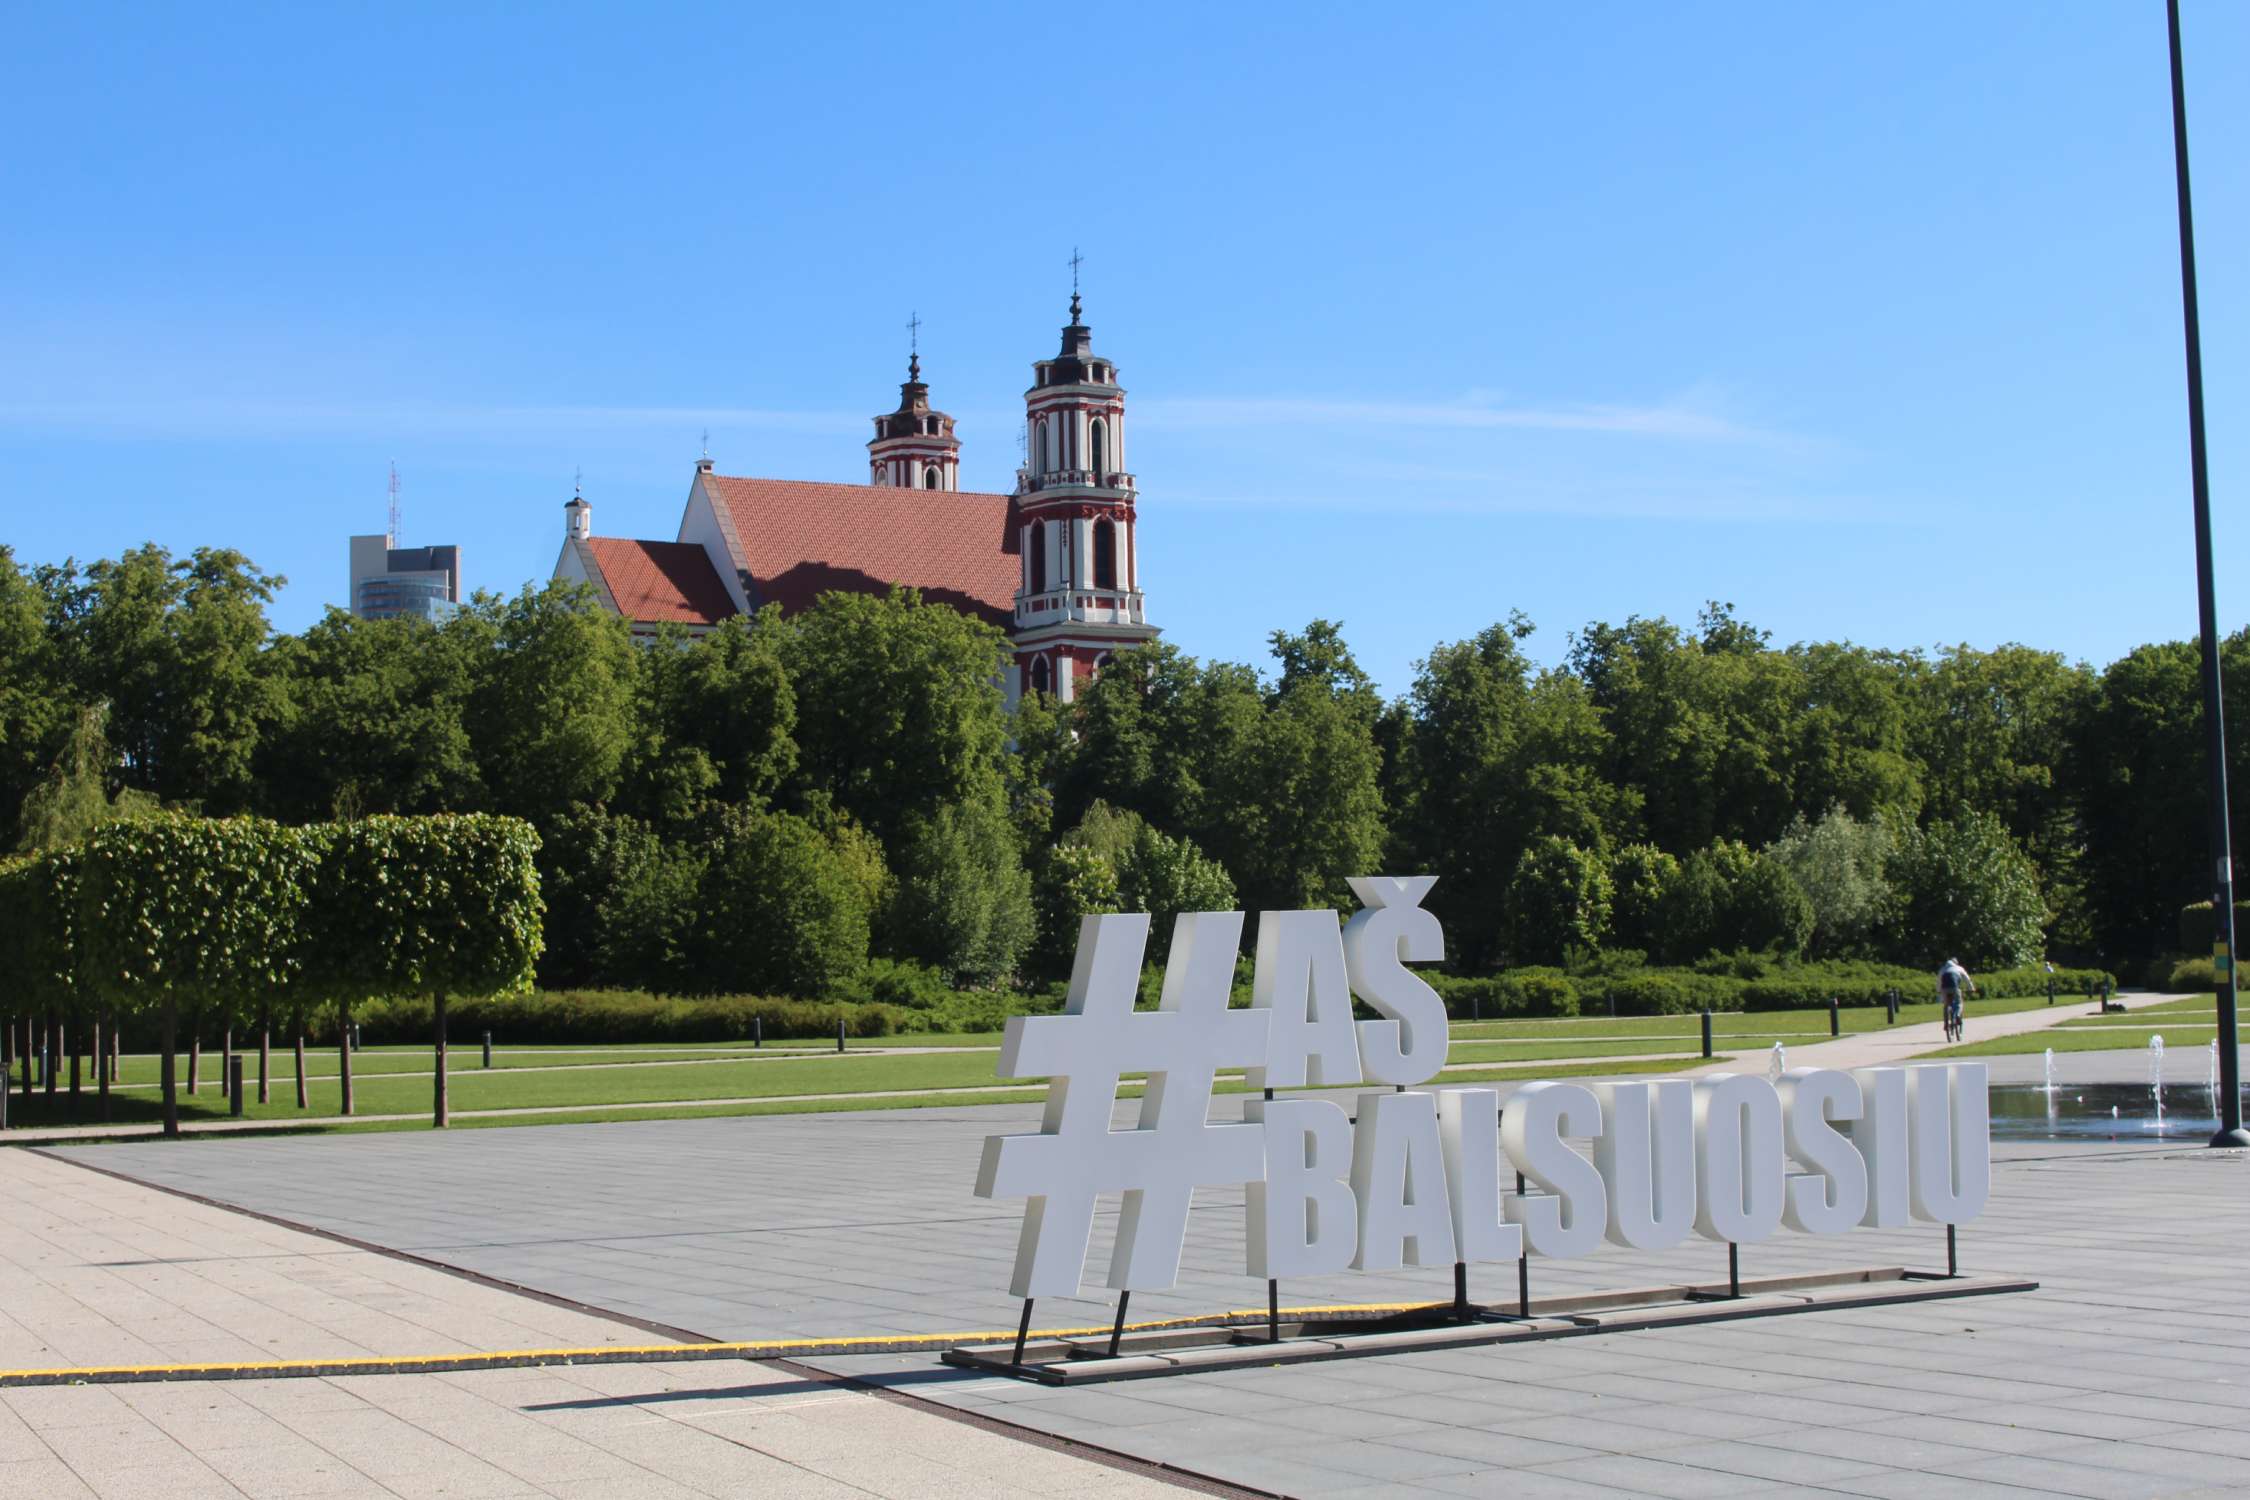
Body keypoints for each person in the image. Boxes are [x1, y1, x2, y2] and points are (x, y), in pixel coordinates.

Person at [1938, 957, 1975, 1040]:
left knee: (1946, 1005)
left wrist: (1938, 990)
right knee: (1959, 1003)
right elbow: (1967, 979)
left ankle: (1946, 1024)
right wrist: (1971, 988)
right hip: (1955, 988)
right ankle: (1958, 1015)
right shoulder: (1959, 968)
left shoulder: (1943, 969)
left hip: (1944, 989)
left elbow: (1939, 981)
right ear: (1956, 963)